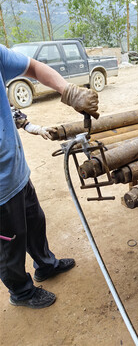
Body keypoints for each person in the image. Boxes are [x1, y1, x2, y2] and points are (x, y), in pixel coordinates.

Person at [0, 44, 99, 309]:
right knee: (10, 244)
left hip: (16, 171)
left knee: (34, 221)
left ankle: (46, 264)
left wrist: (68, 91)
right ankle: (21, 292)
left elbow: (32, 67)